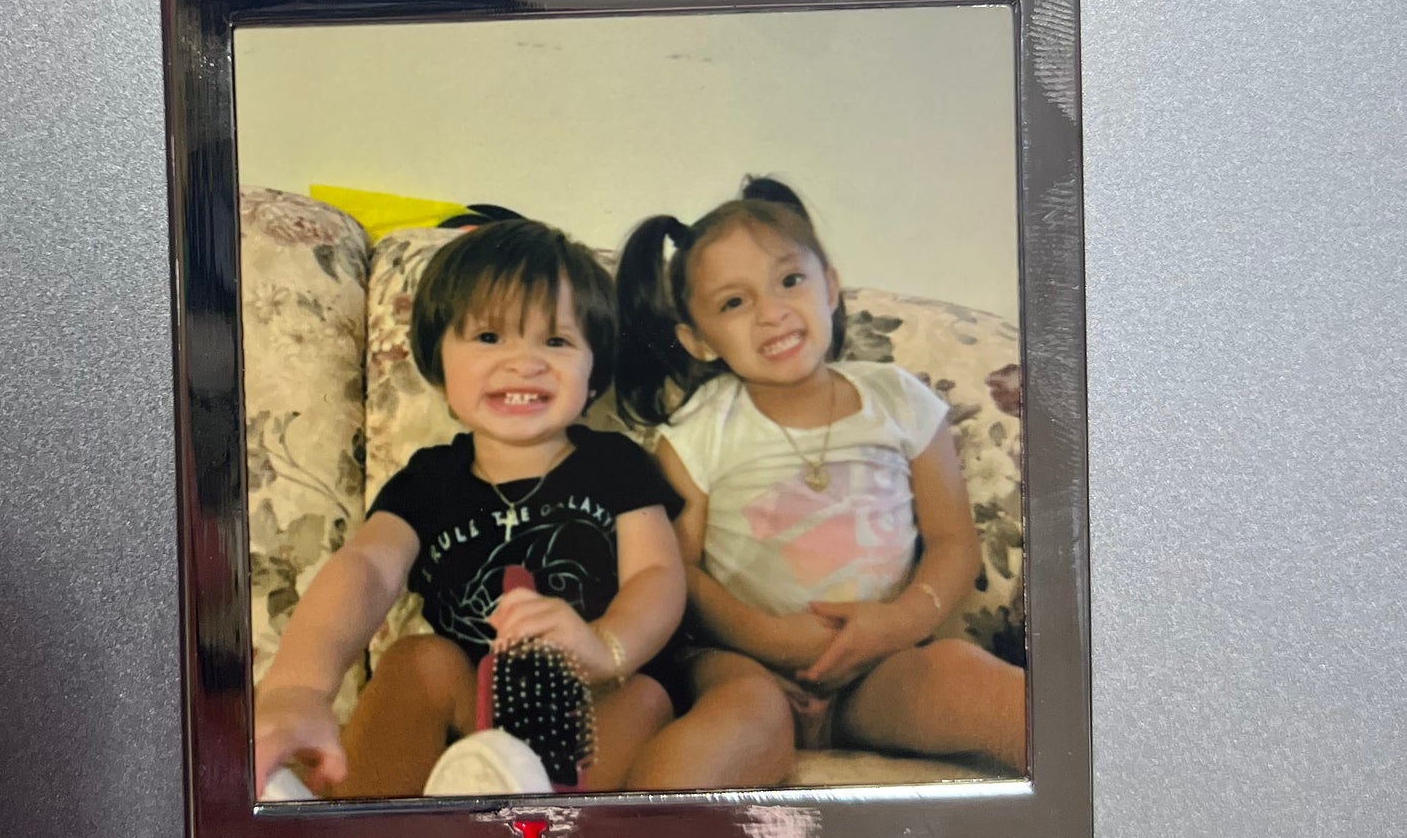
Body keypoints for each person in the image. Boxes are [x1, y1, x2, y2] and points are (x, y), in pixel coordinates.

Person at [252, 217, 690, 800]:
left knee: (647, 695)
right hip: (470, 712)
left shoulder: (616, 464)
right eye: (489, 337)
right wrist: (298, 689)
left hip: (590, 703)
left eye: (556, 341)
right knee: (418, 658)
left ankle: (538, 816)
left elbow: (657, 574)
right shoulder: (429, 481)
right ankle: (350, 826)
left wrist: (607, 647)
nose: (525, 362)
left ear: (593, 374)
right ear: (438, 366)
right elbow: (367, 568)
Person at [614, 177, 1026, 778]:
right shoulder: (698, 430)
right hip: (745, 665)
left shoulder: (898, 400)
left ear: (830, 285)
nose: (772, 312)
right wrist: (767, 638)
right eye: (734, 303)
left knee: (969, 679)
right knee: (741, 717)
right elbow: (679, 572)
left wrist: (898, 623)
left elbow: (953, 542)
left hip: (879, 666)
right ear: (697, 341)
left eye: (789, 280)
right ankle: (638, 829)